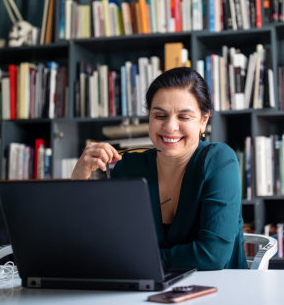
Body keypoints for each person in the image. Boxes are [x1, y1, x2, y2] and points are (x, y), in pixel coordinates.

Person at [71, 67, 247, 270]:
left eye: (184, 117)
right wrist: (79, 177)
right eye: (160, 116)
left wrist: (137, 261)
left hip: (221, 293)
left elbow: (212, 255)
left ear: (203, 120)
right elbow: (94, 242)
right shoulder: (128, 166)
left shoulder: (219, 160)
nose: (170, 127)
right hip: (145, 291)